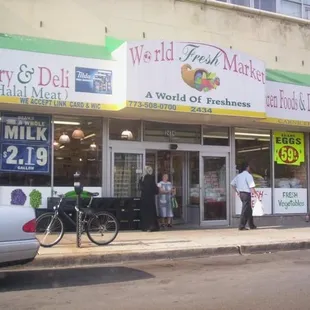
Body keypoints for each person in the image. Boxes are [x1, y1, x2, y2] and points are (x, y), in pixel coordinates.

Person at [231, 162, 259, 231]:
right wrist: (256, 194)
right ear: (247, 167)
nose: (249, 168)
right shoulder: (248, 175)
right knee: (245, 210)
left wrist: (237, 191)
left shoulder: (238, 176)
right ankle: (241, 226)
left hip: (241, 194)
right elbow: (251, 186)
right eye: (249, 167)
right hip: (246, 194)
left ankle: (251, 225)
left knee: (249, 209)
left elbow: (232, 184)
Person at [139, 166, 159, 232]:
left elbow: (140, 187)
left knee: (145, 213)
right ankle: (152, 226)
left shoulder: (142, 178)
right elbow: (155, 189)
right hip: (150, 198)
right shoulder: (151, 178)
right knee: (151, 213)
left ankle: (145, 227)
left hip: (144, 198)